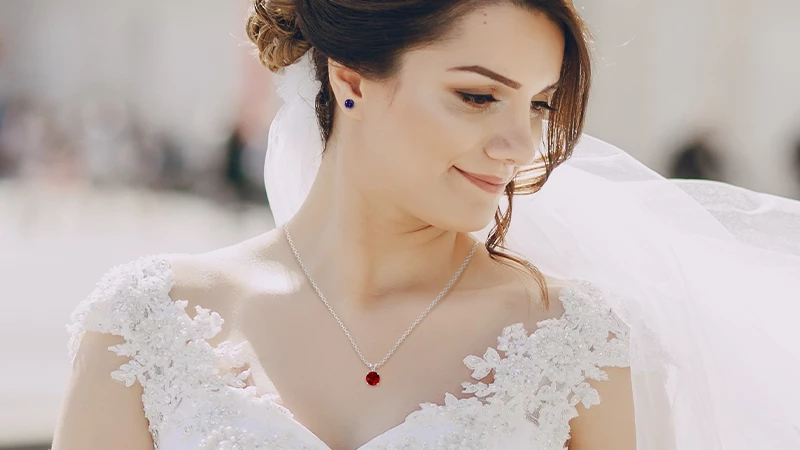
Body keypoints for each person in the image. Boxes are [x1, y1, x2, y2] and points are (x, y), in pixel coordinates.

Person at [52, 1, 800, 449]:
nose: (519, 146)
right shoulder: (147, 322)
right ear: (350, 80)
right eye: (478, 97)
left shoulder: (575, 340)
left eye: (538, 105)